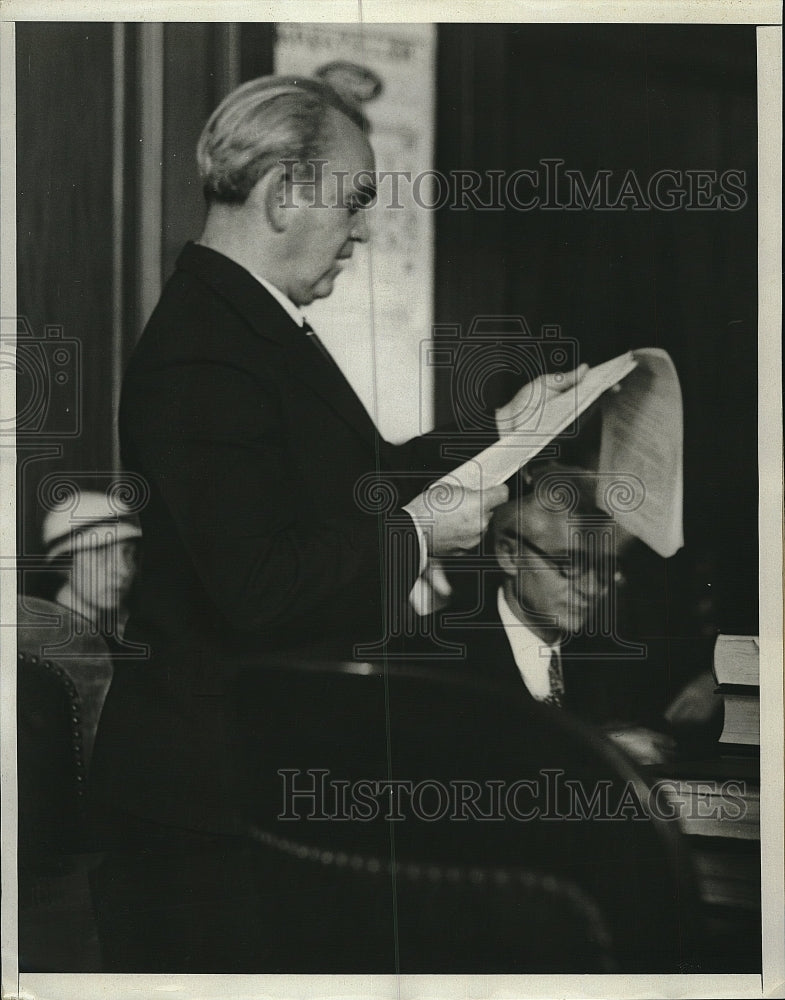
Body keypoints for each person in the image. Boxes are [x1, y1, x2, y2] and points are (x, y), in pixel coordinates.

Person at [88, 76, 584, 971]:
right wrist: (420, 535)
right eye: (354, 202)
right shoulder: (207, 345)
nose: (360, 233)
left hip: (237, 795)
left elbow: (351, 480)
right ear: (284, 193)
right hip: (205, 821)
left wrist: (500, 431)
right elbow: (259, 588)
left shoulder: (244, 324)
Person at [442, 461, 677, 767]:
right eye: (570, 565)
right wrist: (596, 747)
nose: (592, 588)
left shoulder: (616, 659)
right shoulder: (441, 655)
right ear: (510, 555)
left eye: (606, 568)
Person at [40, 490, 141, 655]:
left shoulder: (125, 629)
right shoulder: (46, 641)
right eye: (101, 552)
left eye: (128, 553)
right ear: (63, 563)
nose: (123, 570)